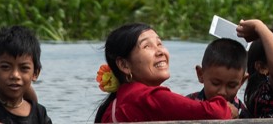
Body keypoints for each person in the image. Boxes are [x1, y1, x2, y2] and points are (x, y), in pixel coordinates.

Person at [94, 23, 236, 122]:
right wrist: (228, 108)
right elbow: (216, 114)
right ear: (124, 65)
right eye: (147, 46)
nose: (160, 51)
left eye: (159, 43)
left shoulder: (117, 102)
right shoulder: (147, 98)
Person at [187, 38, 248, 117]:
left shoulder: (242, 114)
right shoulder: (188, 105)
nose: (222, 92)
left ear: (242, 82)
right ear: (200, 74)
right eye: (216, 83)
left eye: (231, 86)